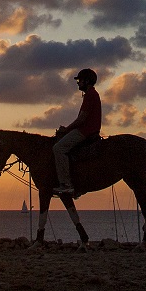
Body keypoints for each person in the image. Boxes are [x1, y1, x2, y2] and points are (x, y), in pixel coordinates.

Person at [52, 68, 102, 196]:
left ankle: (66, 184)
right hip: (87, 130)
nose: (78, 83)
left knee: (58, 148)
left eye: (80, 80)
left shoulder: (90, 95)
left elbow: (81, 119)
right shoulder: (91, 95)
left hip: (85, 131)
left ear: (87, 81)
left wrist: (66, 129)